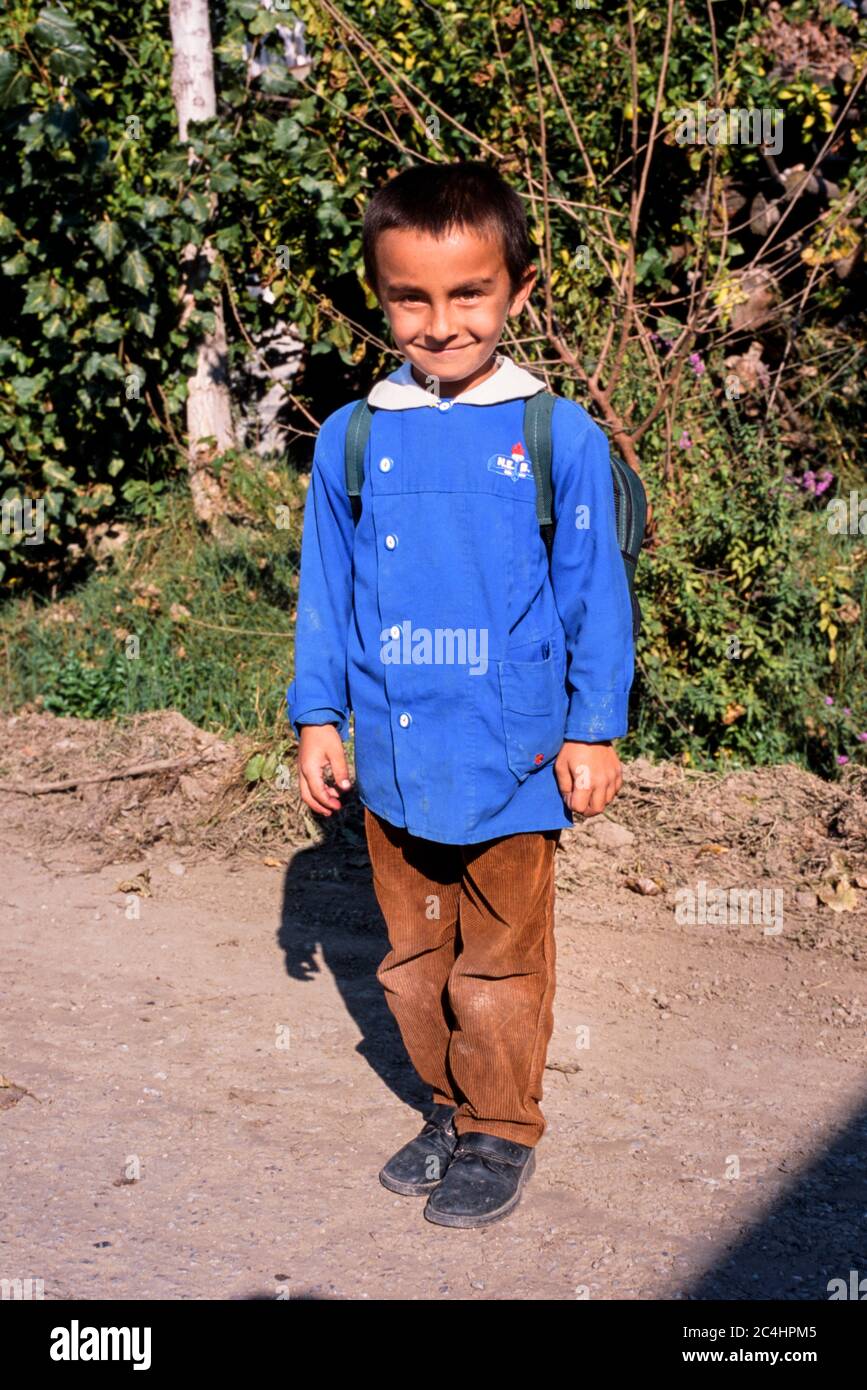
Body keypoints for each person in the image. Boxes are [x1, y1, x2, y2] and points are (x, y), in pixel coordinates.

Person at [286, 160, 634, 1228]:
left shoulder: (554, 435)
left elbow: (595, 595)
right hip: (394, 760)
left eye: (469, 293)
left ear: (518, 290)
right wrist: (316, 716)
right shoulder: (354, 436)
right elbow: (327, 593)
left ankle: (500, 1127)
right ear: (381, 297)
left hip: (516, 758)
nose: (440, 323)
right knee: (409, 961)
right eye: (411, 298)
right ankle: (446, 1103)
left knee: (499, 963)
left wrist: (593, 729)